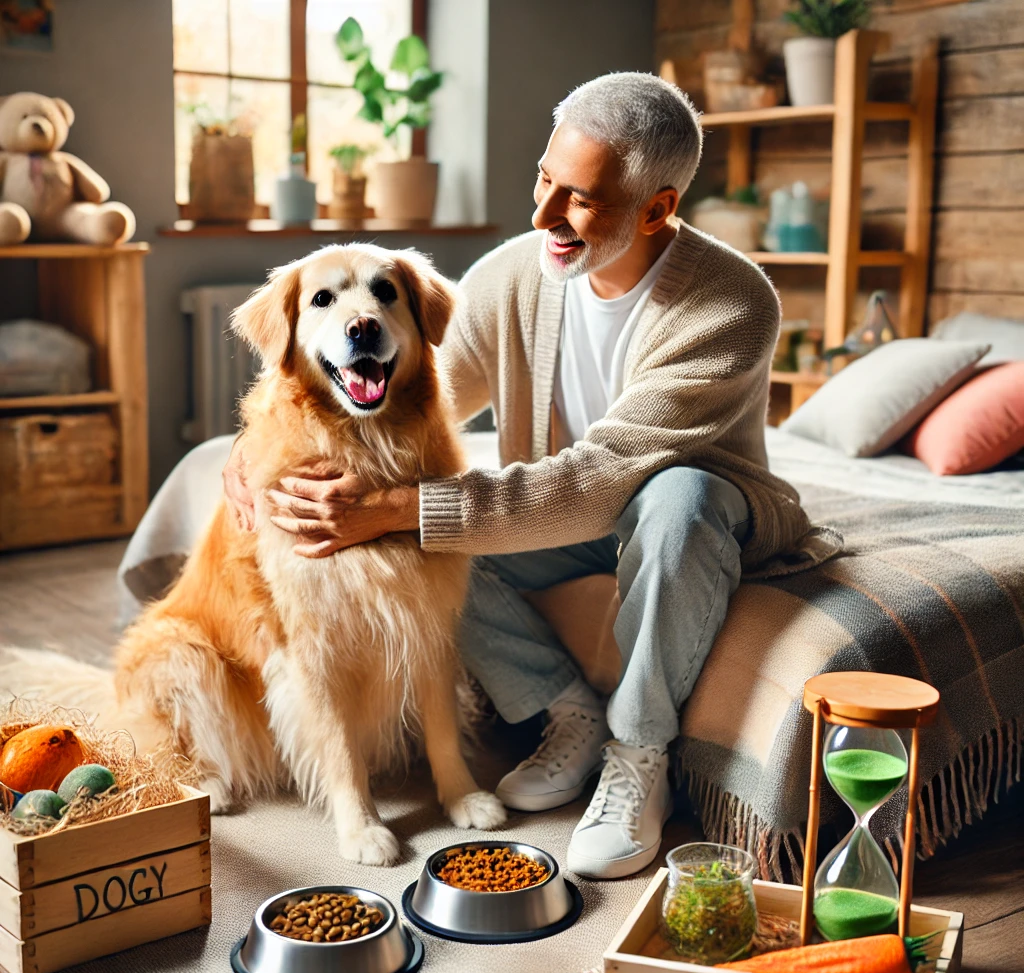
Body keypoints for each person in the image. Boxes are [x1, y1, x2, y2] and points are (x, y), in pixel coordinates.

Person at [221, 72, 825, 879]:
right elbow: (428, 397)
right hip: (575, 518)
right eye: (544, 178)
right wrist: (258, 441)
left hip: (696, 514)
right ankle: (563, 708)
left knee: (675, 496)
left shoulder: (732, 303)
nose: (544, 215)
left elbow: (602, 480)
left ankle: (638, 752)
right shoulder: (516, 272)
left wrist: (396, 507)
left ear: (656, 208)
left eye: (580, 199)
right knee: (421, 550)